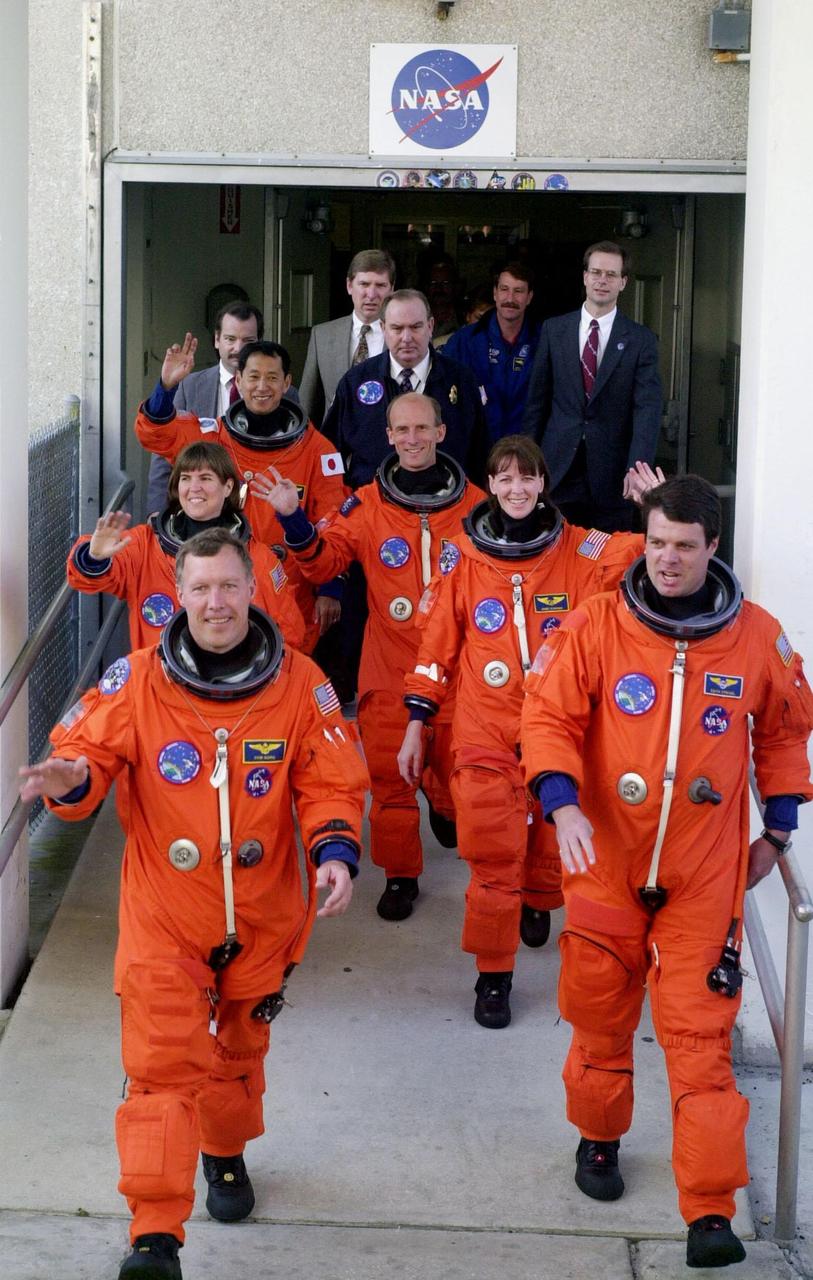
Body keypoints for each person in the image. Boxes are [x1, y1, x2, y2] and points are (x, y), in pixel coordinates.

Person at [20, 528, 369, 1280]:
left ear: (253, 591)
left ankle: (226, 1151)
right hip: (165, 916)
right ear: (177, 596)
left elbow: (331, 781)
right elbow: (87, 754)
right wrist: (67, 780)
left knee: (236, 1061)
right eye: (201, 588)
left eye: (229, 587)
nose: (216, 602)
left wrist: (335, 851)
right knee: (160, 1068)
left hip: (264, 916)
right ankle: (155, 1237)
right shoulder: (137, 679)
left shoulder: (302, 683)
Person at [519, 475, 813, 1269]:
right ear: (641, 542)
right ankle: (599, 1138)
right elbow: (546, 715)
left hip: (702, 874)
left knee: (699, 1040)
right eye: (656, 544)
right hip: (604, 862)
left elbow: (784, 733)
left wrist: (779, 828)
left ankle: (710, 1211)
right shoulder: (596, 626)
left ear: (712, 547)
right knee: (600, 1020)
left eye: (684, 547)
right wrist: (561, 802)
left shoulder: (755, 637)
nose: (668, 561)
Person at [399, 437, 650, 1028]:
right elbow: (435, 648)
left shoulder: (581, 550)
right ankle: (493, 975)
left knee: (545, 850)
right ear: (491, 485)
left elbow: (651, 552)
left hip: (559, 731)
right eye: (503, 479)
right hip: (484, 730)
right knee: (491, 858)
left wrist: (652, 501)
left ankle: (539, 899)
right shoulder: (461, 557)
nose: (515, 489)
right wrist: (417, 724)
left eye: (527, 478)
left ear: (543, 484)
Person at [252, 392, 483, 922]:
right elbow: (323, 560)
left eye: (422, 429)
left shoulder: (474, 505)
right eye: (401, 430)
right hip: (389, 667)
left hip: (457, 671)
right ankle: (402, 875)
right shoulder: (367, 504)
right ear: (388, 436)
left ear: (441, 433)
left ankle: (445, 807)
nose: (412, 439)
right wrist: (293, 519)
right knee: (388, 779)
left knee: (457, 774)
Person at [135, 337, 347, 654]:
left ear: (287, 382)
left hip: (286, 590)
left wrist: (331, 587)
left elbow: (335, 524)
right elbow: (158, 435)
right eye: (253, 376)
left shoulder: (318, 451)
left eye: (273, 377)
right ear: (238, 380)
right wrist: (165, 388)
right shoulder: (214, 436)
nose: (262, 386)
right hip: (218, 592)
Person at [68, 441, 305, 652]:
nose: (194, 488)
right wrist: (94, 557)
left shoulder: (258, 558)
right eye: (185, 478)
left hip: (235, 688)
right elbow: (86, 579)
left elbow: (290, 635)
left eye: (205, 478)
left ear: (228, 487)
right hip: (161, 687)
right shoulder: (145, 546)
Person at [522, 240, 663, 532]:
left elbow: (646, 410)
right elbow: (538, 402)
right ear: (584, 276)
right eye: (596, 272)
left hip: (613, 478)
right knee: (554, 558)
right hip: (558, 470)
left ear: (623, 282)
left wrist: (636, 470)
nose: (602, 280)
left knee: (608, 562)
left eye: (611, 275)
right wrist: (529, 465)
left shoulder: (640, 340)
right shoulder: (554, 330)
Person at [323, 289, 489, 491]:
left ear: (430, 326)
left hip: (445, 509)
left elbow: (480, 455)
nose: (407, 337)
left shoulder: (462, 381)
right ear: (383, 329)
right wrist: (339, 499)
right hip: (371, 511)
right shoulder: (356, 381)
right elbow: (329, 453)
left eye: (416, 327)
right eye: (397, 328)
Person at [146, 303, 264, 516]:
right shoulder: (189, 386)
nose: (238, 349)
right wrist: (156, 512)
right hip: (197, 509)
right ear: (217, 340)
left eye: (248, 341)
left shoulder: (281, 393)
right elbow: (164, 449)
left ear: (259, 343)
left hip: (257, 513)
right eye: (230, 339)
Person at [444, 262, 540, 442]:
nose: (510, 298)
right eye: (504, 289)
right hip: (474, 452)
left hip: (525, 453)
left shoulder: (544, 342)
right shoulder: (463, 341)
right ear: (495, 293)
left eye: (518, 291)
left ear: (529, 297)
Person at [299, 249, 396, 425]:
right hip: (335, 445)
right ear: (349, 286)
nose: (371, 294)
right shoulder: (322, 335)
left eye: (380, 286)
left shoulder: (404, 337)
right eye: (364, 284)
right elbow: (307, 404)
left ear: (392, 289)